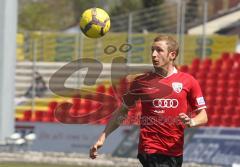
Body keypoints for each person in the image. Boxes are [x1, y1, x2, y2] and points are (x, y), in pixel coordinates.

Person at [89, 34, 208, 167]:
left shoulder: (189, 81)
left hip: (175, 151)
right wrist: (103, 137)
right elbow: (122, 111)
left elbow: (203, 116)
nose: (153, 54)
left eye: (159, 50)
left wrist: (192, 121)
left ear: (172, 55)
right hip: (150, 148)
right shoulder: (141, 81)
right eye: (152, 50)